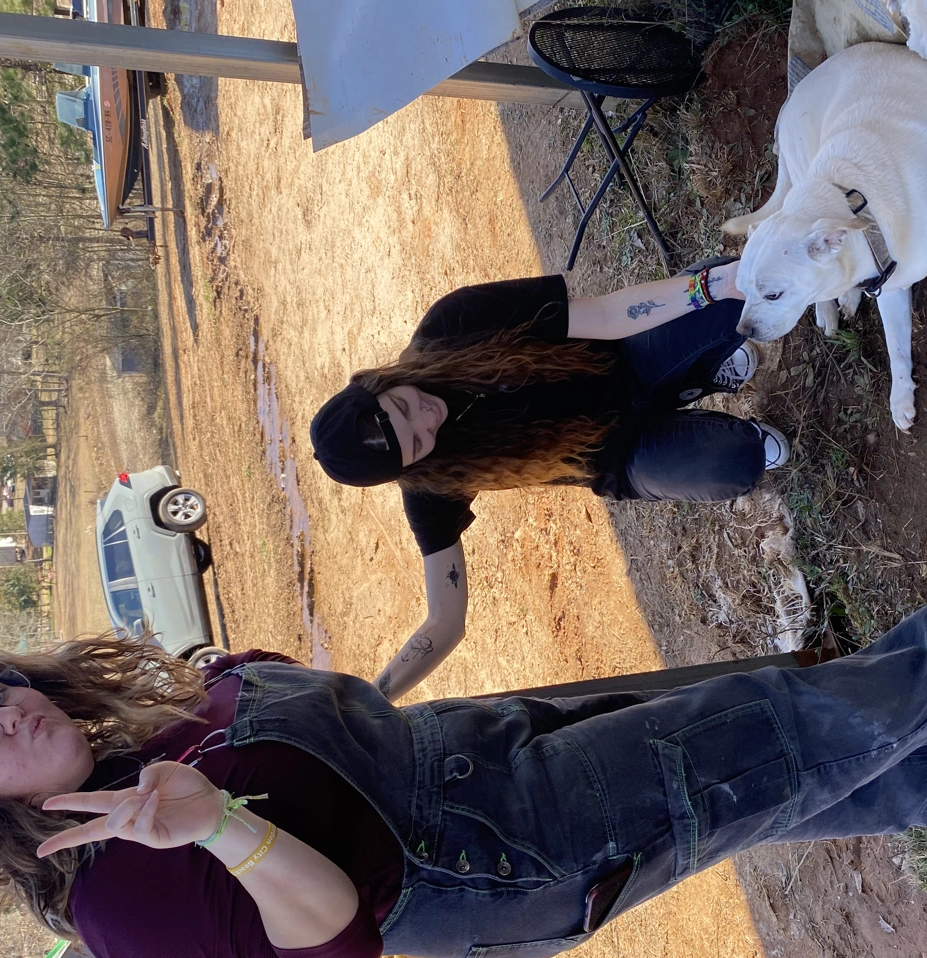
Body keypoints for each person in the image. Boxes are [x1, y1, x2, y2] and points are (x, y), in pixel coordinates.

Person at [0, 525, 927, 958]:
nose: (7, 714)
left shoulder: (127, 749)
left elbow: (285, 708)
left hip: (465, 754)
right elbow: (333, 943)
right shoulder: (116, 907)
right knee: (746, 734)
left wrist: (231, 688)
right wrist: (219, 827)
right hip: (489, 854)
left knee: (723, 776)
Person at [309, 261, 790, 700]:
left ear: (378, 382)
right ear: (409, 469)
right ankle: (713, 412)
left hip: (624, 358)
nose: (427, 418)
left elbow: (606, 314)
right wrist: (370, 702)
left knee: (732, 298)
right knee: (735, 461)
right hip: (619, 458)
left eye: (403, 405)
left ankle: (702, 373)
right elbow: (444, 620)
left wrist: (709, 286)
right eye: (417, 443)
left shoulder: (451, 324)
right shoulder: (430, 487)